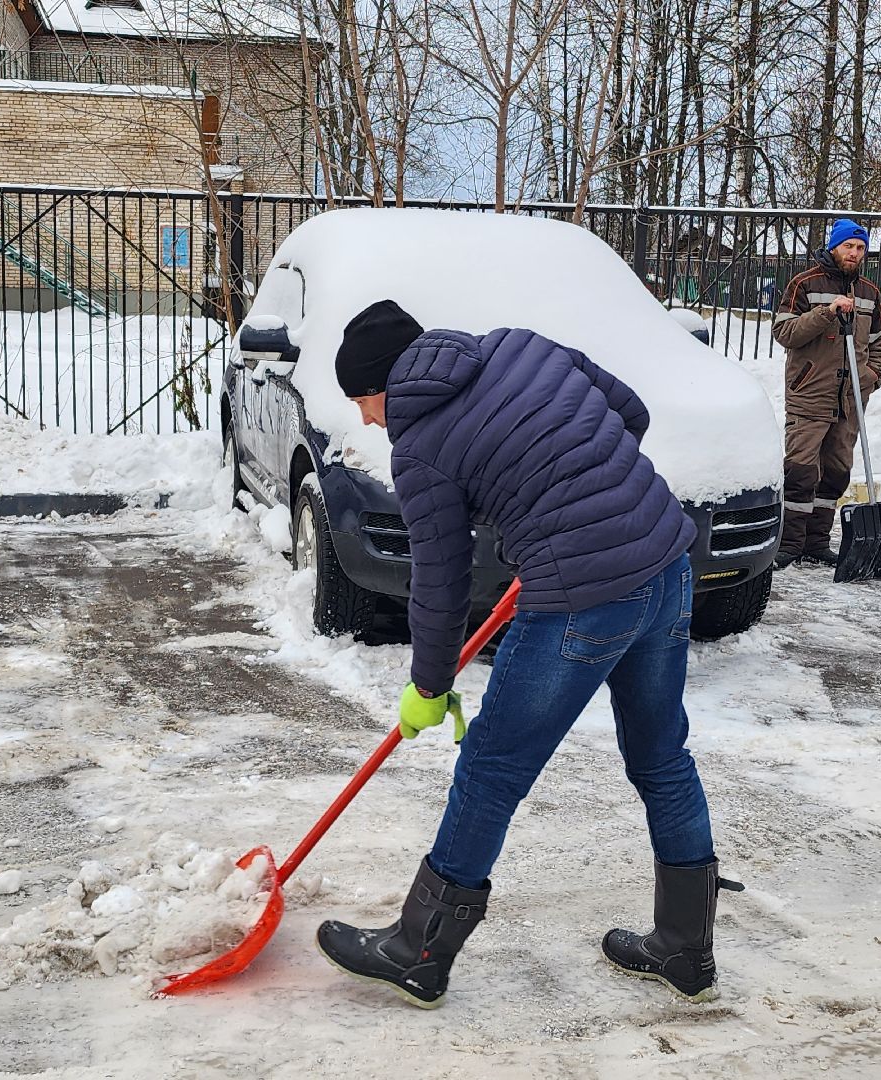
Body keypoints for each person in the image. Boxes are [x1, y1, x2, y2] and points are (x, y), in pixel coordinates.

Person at [314, 299, 741, 1010]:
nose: (365, 419)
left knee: (492, 767)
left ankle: (418, 951)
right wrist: (562, 505)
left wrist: (429, 685)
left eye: (362, 401)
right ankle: (685, 946)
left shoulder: (419, 447)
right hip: (665, 564)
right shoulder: (518, 344)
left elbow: (441, 581)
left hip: (583, 597)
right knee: (662, 757)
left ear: (384, 385)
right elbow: (629, 414)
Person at [772, 219, 881, 569]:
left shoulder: (869, 292)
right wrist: (827, 312)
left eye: (860, 248)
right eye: (848, 246)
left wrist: (871, 377)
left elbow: (879, 342)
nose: (854, 253)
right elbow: (785, 332)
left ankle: (817, 542)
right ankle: (790, 543)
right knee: (801, 471)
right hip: (810, 393)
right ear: (834, 246)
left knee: (836, 472)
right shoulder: (805, 284)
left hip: (850, 399)